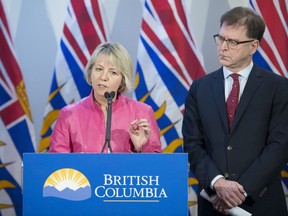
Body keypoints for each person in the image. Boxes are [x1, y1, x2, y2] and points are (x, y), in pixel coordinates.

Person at [182, 7, 288, 216]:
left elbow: (280, 146)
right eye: (220, 39)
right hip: (213, 204)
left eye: (232, 42)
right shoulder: (199, 88)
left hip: (261, 204)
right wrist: (218, 183)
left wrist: (239, 192)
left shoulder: (277, 87)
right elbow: (192, 144)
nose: (223, 47)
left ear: (253, 46)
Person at [49, 42, 162, 153]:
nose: (103, 77)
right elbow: (57, 165)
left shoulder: (142, 112)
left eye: (112, 72)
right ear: (90, 72)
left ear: (122, 81)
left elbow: (156, 167)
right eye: (98, 69)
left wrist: (142, 147)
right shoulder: (69, 114)